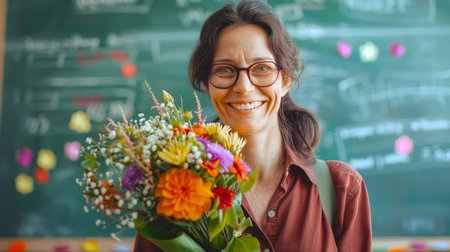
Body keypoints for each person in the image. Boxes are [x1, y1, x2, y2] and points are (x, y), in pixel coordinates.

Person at [134, 0, 372, 251]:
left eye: (262, 68)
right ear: (207, 83)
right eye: (225, 70)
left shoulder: (342, 189)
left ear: (286, 79)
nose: (244, 87)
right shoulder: (171, 190)